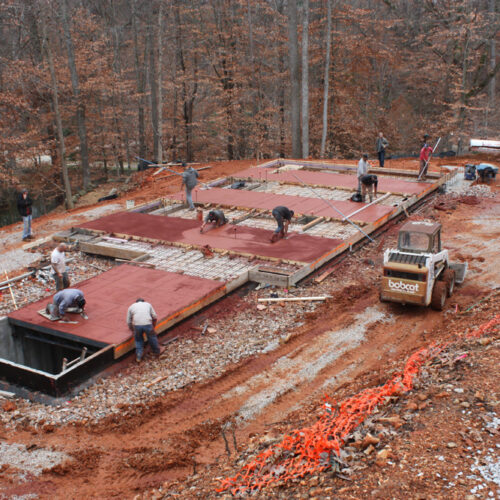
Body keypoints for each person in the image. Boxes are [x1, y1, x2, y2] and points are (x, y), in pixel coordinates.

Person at [127, 298, 165, 362]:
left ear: (136, 302)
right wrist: (153, 326)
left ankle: (139, 356)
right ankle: (157, 351)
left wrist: (132, 329)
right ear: (144, 301)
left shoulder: (131, 307)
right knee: (152, 337)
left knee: (138, 340)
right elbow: (154, 316)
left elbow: (128, 321)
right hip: (148, 324)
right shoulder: (148, 304)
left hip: (137, 325)